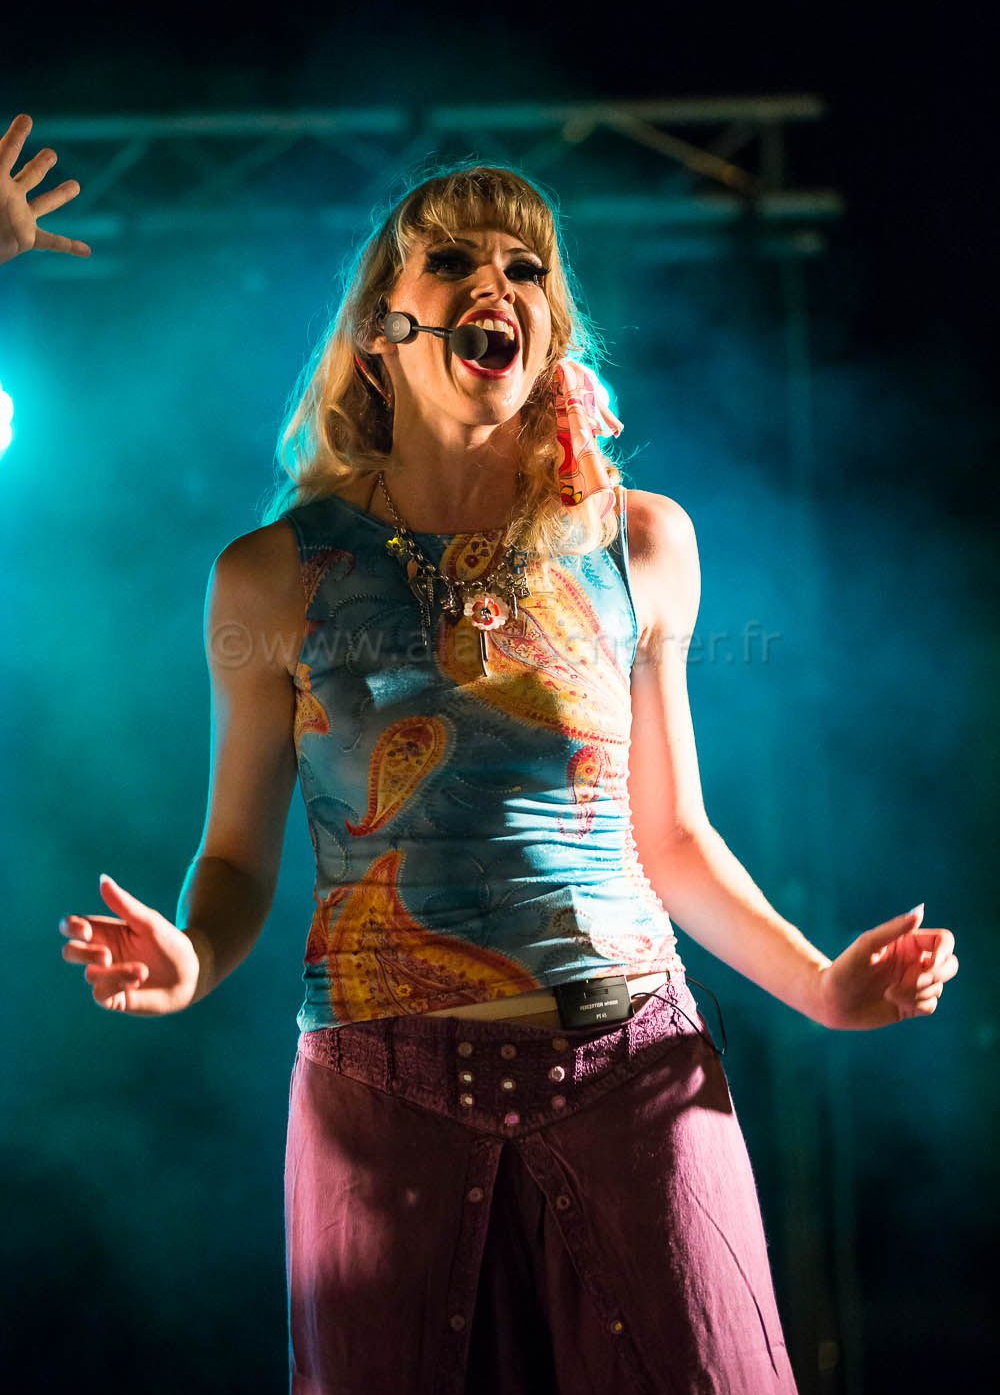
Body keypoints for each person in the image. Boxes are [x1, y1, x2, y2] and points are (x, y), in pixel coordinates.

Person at [23, 107, 958, 1393]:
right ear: (380, 331)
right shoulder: (271, 578)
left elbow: (672, 836)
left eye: (525, 267)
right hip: (382, 1103)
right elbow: (233, 860)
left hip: (634, 1076)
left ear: (548, 329)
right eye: (454, 259)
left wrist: (823, 988)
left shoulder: (641, 544)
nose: (495, 284)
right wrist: (187, 962)